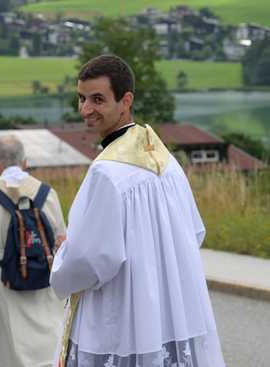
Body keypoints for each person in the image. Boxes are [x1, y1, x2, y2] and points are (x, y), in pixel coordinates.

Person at [50, 55, 225, 367]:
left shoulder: (107, 172)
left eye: (98, 100)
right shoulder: (168, 163)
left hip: (122, 320)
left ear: (125, 100)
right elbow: (193, 234)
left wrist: (64, 254)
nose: (86, 109)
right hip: (168, 315)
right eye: (82, 98)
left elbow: (91, 262)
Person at [0, 135, 67, 367]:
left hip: (2, 271)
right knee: (47, 325)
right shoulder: (46, 193)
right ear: (24, 161)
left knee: (4, 336)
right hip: (42, 268)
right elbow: (60, 237)